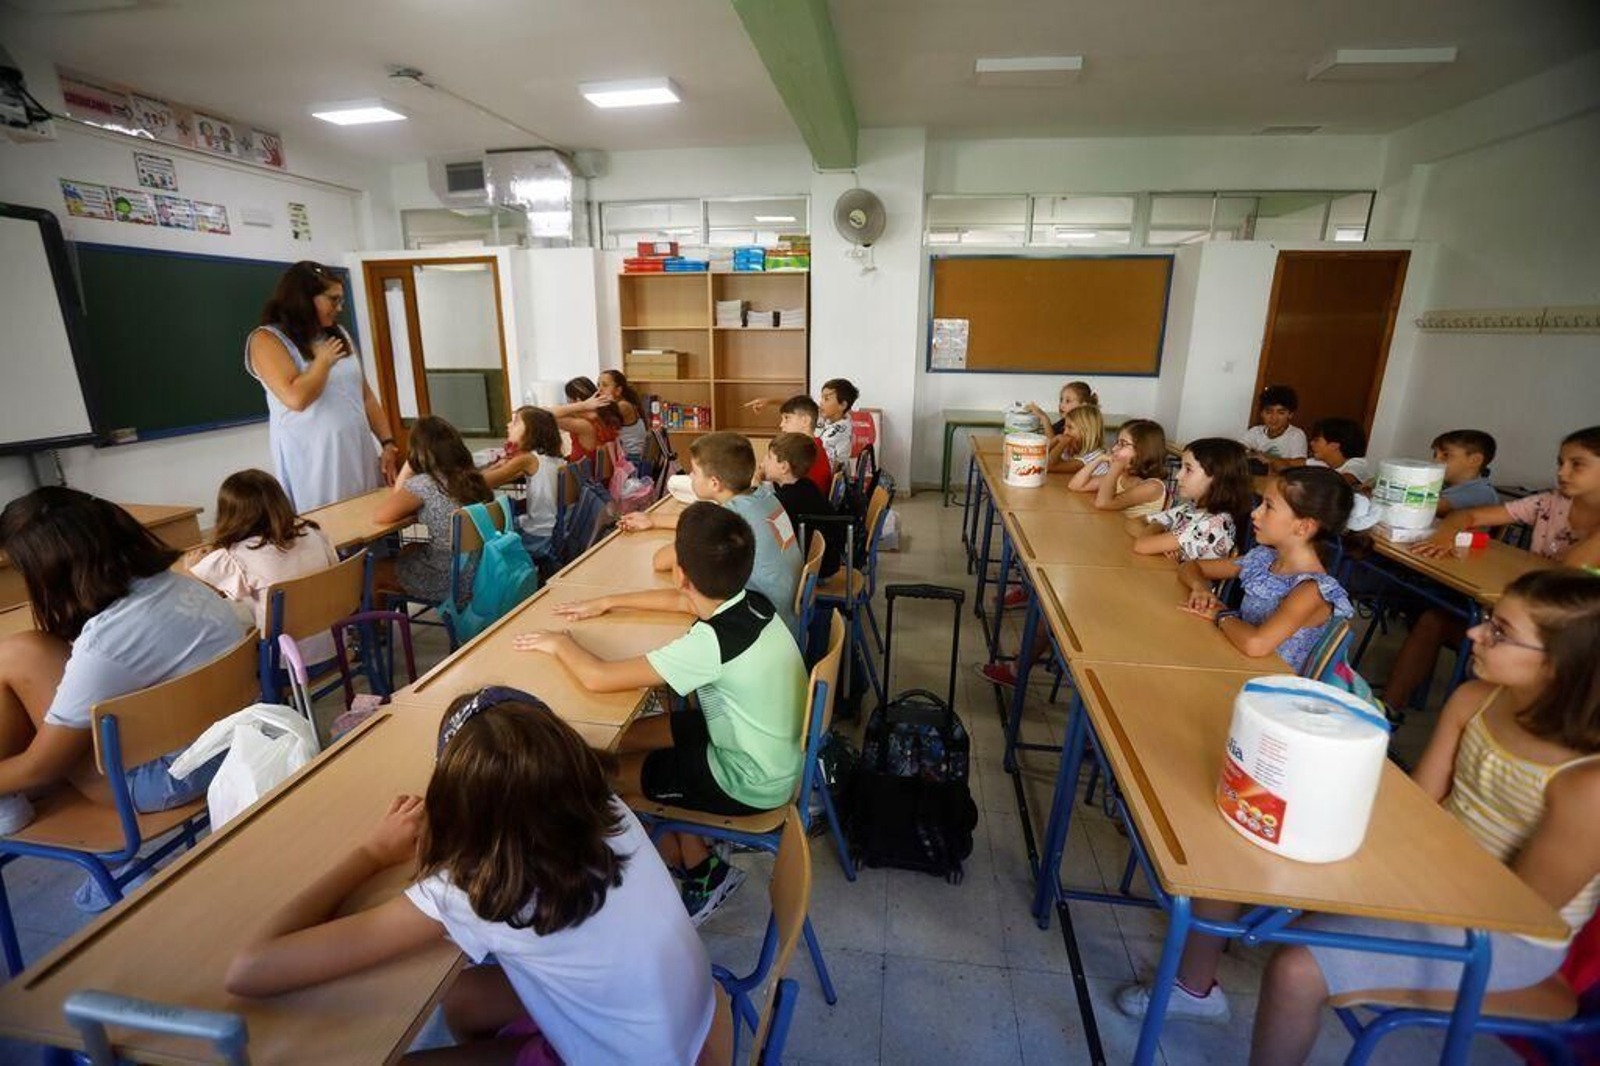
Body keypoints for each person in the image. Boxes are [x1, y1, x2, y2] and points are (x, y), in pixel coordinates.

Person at [225, 690, 716, 1063]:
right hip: (692, 1025)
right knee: (461, 998)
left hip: (640, 1053)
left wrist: (372, 853)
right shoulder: (601, 804)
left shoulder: (477, 888)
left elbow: (249, 970)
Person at [1247, 569, 1600, 1063]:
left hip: (1509, 936)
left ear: (1564, 667)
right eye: (1488, 621)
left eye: (1501, 632)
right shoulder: (1476, 699)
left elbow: (1521, 907)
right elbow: (1418, 806)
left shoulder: (1588, 785)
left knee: (1296, 969)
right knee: (1284, 864)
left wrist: (1387, 884)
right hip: (1436, 881)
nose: (1475, 633)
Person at [513, 503, 807, 925]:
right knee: (620, 738)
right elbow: (682, 602)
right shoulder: (750, 603)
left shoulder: (709, 645)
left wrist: (560, 643)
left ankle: (703, 871)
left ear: (682, 573)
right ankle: (683, 841)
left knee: (599, 776)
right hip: (755, 745)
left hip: (746, 779)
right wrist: (609, 602)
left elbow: (599, 677)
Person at [0, 490, 244, 840]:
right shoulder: (180, 586)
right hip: (235, 743)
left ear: (49, 572)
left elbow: (44, 768)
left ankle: (5, 802)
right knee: (29, 659)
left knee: (18, 654)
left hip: (166, 780)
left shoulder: (105, 641)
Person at [1381, 426, 1600, 712]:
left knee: (1498, 651)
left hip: (1569, 643)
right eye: (1561, 463)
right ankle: (1387, 709)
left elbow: (1569, 572)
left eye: (1577, 464)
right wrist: (1444, 535)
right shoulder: (1550, 503)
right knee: (1433, 620)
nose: (1562, 473)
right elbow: (1468, 515)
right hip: (1520, 613)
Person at [246, 261, 400, 511]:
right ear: (305, 298)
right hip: (314, 461)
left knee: (370, 520)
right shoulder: (266, 339)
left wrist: (387, 442)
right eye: (333, 300)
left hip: (356, 449)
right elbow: (296, 399)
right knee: (331, 529)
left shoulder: (337, 333)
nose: (339, 308)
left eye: (341, 300)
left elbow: (366, 396)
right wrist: (322, 363)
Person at [615, 432, 802, 634]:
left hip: (765, 624)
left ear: (714, 483)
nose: (690, 477)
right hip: (788, 613)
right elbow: (721, 520)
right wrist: (653, 520)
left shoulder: (729, 521)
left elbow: (660, 562)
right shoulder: (764, 496)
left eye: (694, 472)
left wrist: (690, 535)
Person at [1174, 466, 1355, 673]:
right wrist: (1201, 588)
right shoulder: (1263, 559)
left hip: (1267, 688)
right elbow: (1190, 566)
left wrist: (1221, 614)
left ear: (1303, 527)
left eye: (1268, 506)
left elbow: (1256, 644)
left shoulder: (1312, 589)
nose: (1255, 512)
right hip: (1234, 662)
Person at [187, 469, 340, 662]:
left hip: (286, 661)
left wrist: (192, 566)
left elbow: (192, 589)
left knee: (235, 641)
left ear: (229, 515)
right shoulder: (313, 533)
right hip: (336, 644)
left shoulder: (236, 557)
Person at [372, 416, 494, 608]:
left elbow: (381, 516)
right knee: (409, 548)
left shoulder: (425, 484)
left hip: (452, 580)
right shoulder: (475, 480)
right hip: (482, 570)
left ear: (419, 453)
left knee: (376, 570)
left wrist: (409, 466)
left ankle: (377, 632)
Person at [1128, 438, 1253, 561]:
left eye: (1188, 469)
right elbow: (1133, 522)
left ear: (1217, 478)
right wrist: (1158, 540)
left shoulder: (1215, 524)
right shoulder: (1190, 509)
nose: (1178, 476)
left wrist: (1156, 528)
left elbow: (1141, 545)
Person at [485, 406, 566, 567]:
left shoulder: (528, 459)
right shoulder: (553, 459)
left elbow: (484, 482)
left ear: (531, 431)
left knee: (491, 530)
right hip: (554, 533)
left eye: (515, 422)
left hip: (538, 537)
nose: (508, 425)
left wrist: (495, 467)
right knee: (513, 516)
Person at [764, 432, 843, 579]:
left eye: (769, 457)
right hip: (829, 559)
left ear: (784, 467)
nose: (763, 462)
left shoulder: (785, 502)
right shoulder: (806, 485)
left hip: (813, 569)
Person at [1069, 418, 1168, 518]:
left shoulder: (1153, 487)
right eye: (1117, 443)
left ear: (1142, 450)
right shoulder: (1122, 476)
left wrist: (1115, 468)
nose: (1114, 448)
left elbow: (1103, 503)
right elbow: (1076, 486)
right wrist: (1099, 459)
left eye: (1123, 444)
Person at [550, 376, 621, 463]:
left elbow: (543, 414)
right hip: (603, 473)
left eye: (568, 400)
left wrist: (582, 406)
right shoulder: (606, 414)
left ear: (577, 400)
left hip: (582, 474)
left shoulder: (583, 425)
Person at [1431, 428, 1501, 515]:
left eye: (1446, 455)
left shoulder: (1481, 493)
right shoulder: (1443, 485)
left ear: (1475, 460)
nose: (1436, 461)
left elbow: (1430, 506)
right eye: (1435, 454)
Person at [776, 394, 834, 495]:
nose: (781, 424)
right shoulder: (815, 445)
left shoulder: (802, 451)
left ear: (805, 421)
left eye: (787, 418)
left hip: (805, 507)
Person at [1241, 384, 1308, 472]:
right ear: (1261, 413)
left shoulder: (1296, 434)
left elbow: (1300, 462)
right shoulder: (1255, 431)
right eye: (1268, 412)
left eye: (1281, 412)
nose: (1274, 418)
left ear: (1290, 415)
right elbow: (1237, 451)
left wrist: (1269, 458)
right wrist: (1255, 455)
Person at [1027, 381, 1099, 455]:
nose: (1062, 405)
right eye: (1061, 400)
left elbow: (1053, 449)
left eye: (1068, 401)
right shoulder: (1063, 422)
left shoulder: (1082, 428)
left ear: (1083, 405)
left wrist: (1044, 418)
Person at [598, 369, 649, 463]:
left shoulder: (623, 405)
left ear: (618, 390)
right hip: (631, 457)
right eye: (598, 385)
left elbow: (598, 418)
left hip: (632, 459)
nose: (599, 390)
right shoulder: (623, 403)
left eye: (605, 385)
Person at [1305, 417, 1371, 487]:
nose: (1311, 443)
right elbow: (1295, 462)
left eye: (1316, 440)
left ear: (1334, 445)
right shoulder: (1323, 462)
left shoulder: (1358, 464)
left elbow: (1342, 482)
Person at [1046, 404, 1109, 477]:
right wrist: (1055, 439)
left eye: (1070, 427)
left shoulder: (1094, 457)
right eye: (1065, 428)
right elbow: (1042, 457)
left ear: (1086, 431)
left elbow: (1047, 466)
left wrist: (1062, 443)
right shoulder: (1074, 450)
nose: (1065, 432)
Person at [816, 378, 860, 471]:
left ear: (842, 405)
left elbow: (817, 448)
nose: (821, 403)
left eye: (826, 399)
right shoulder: (837, 420)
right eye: (822, 398)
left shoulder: (839, 429)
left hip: (831, 477)